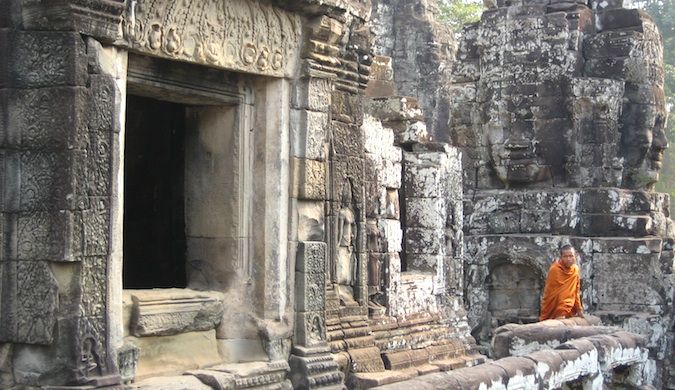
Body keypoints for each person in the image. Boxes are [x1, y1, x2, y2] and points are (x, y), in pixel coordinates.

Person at [539, 245, 583, 320]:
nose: (568, 259)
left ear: (575, 256)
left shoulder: (575, 270)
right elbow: (552, 293)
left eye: (571, 256)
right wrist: (560, 310)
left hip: (568, 307)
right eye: (565, 256)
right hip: (555, 306)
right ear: (561, 257)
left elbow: (576, 291)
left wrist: (579, 309)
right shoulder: (555, 269)